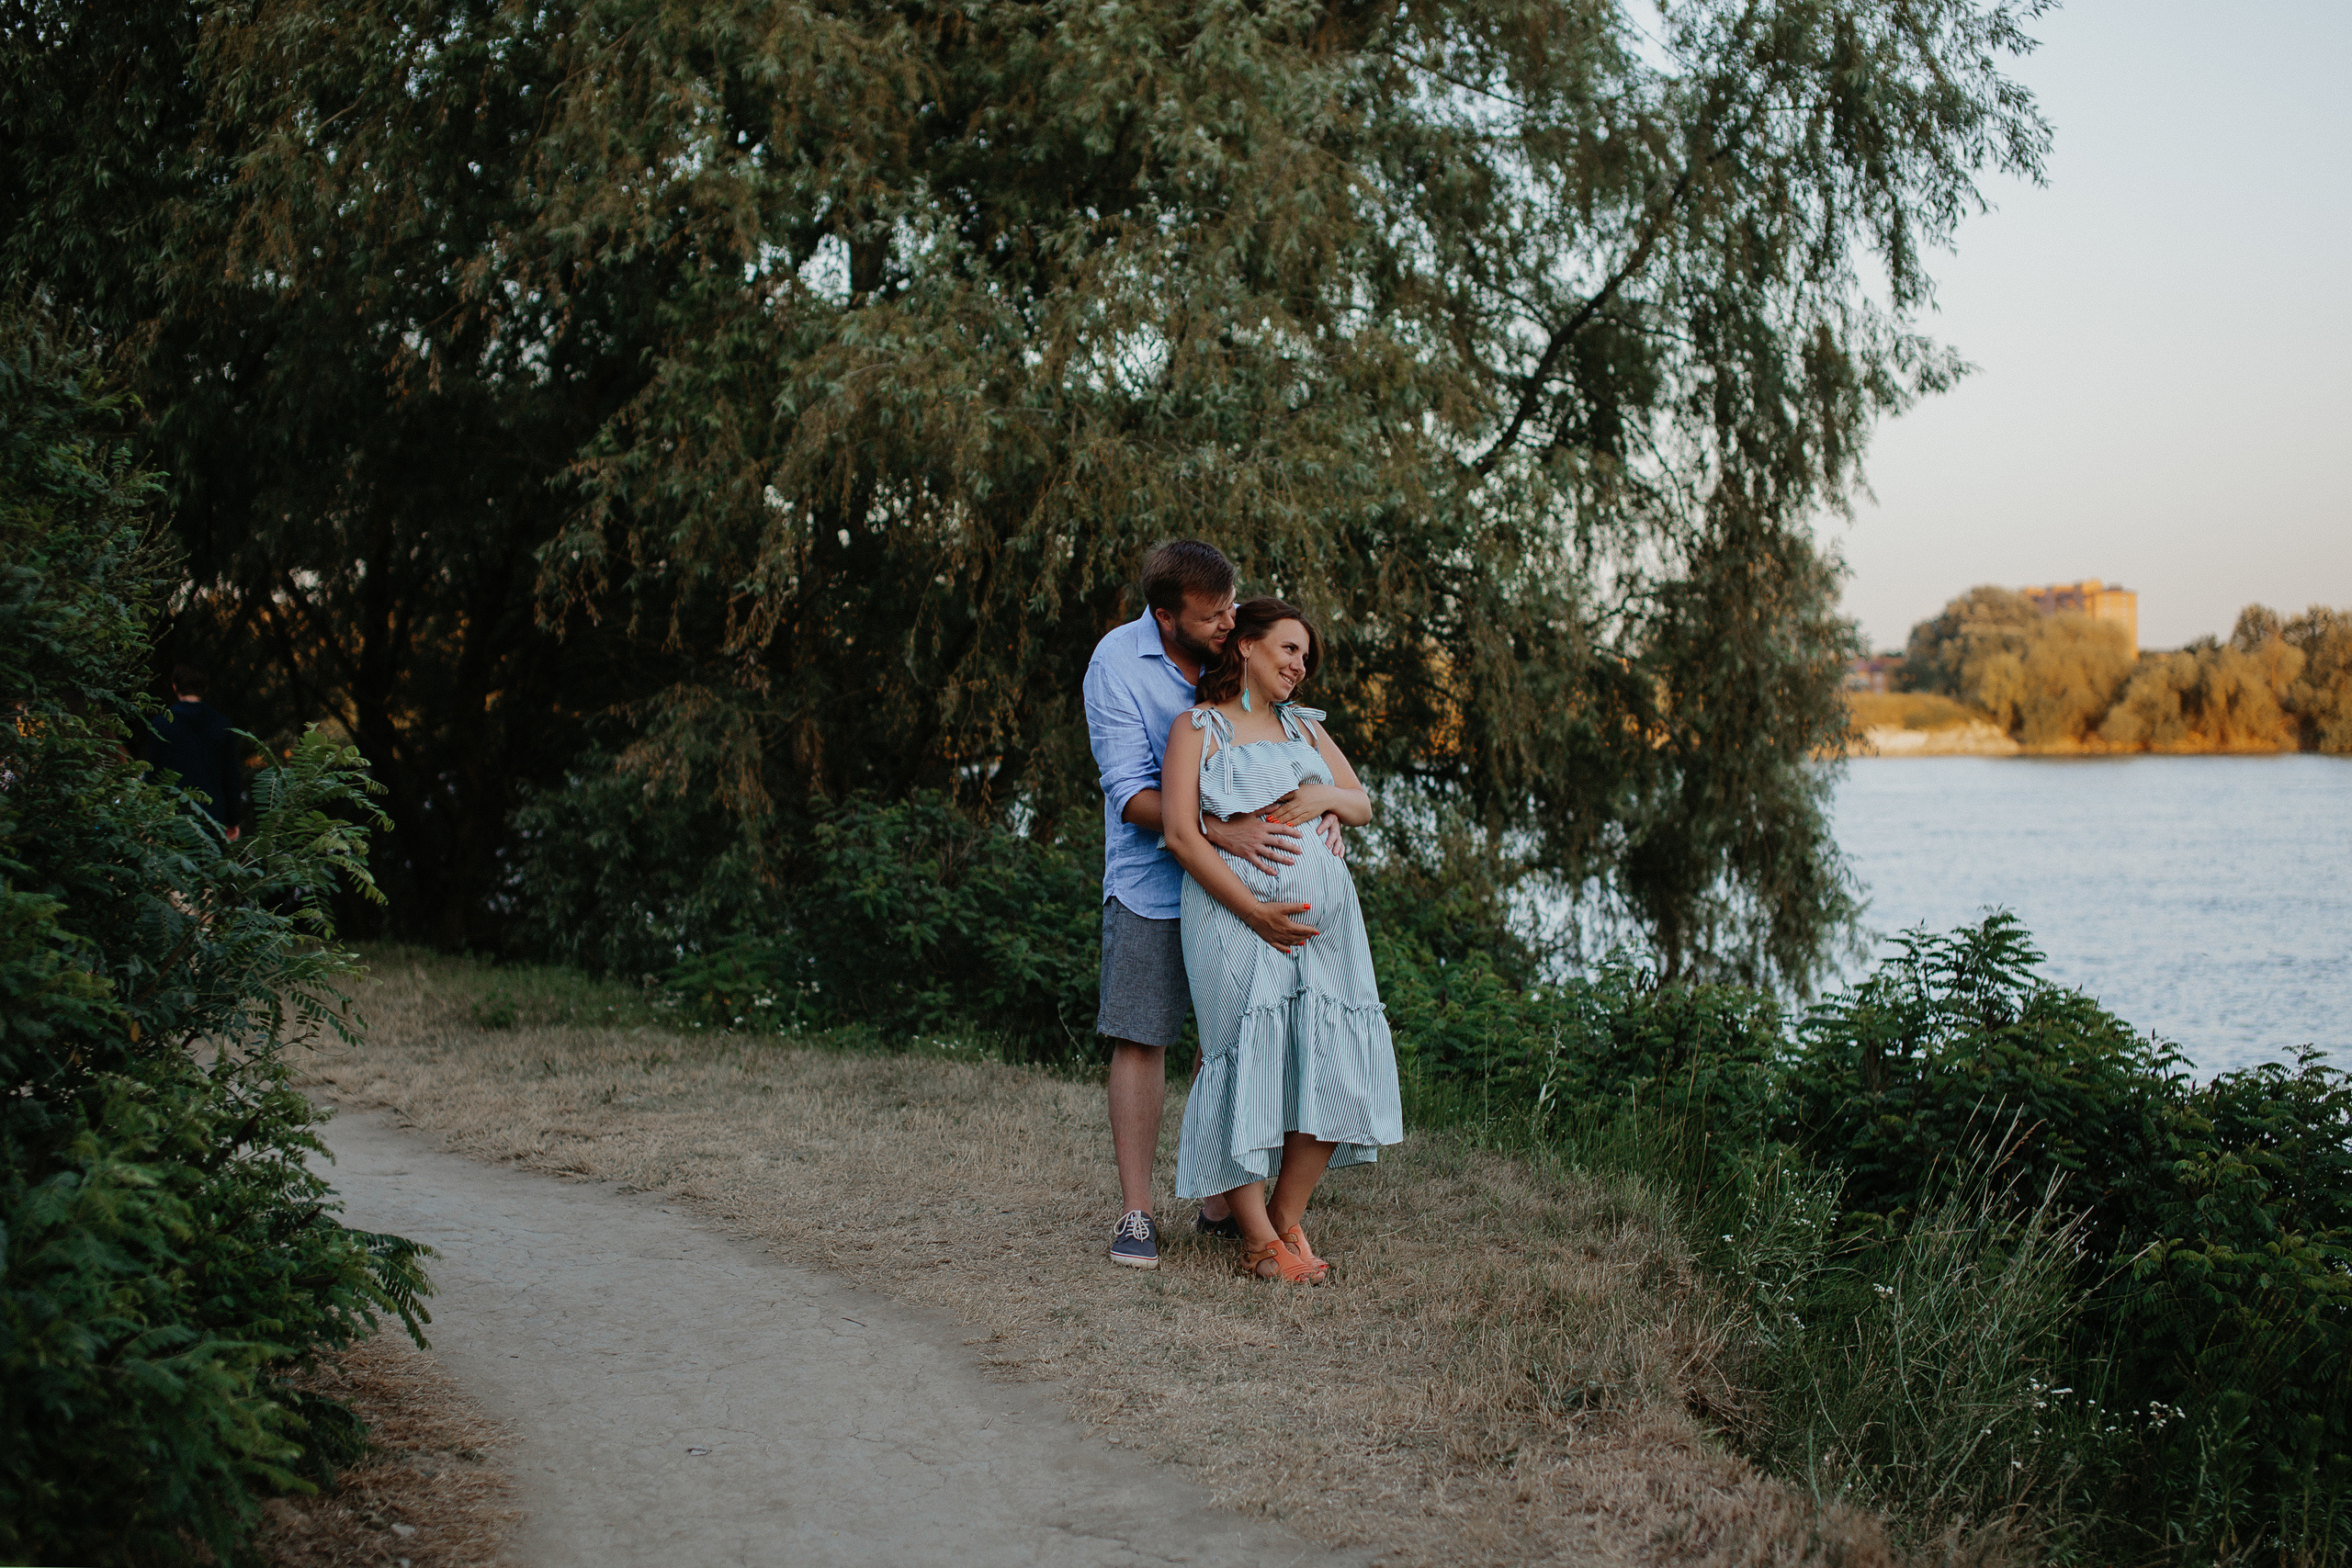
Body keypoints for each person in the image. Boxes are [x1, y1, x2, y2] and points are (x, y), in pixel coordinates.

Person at [1084, 542, 1342, 1270]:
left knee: (1229, 1040)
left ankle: (1219, 1200)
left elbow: (1289, 741)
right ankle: (1137, 1213)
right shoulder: (1116, 665)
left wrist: (1320, 806)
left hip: (1254, 880)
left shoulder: (1237, 648)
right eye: (1212, 614)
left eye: (1233, 606)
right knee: (1143, 1034)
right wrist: (1215, 827)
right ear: (1166, 617)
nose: (1229, 621)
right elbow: (1129, 789)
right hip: (1154, 882)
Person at [1161, 597, 1403, 1283]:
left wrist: (1324, 800)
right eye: (1290, 649)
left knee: (1332, 1058)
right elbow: (1182, 833)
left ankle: (1286, 1215)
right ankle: (1259, 1242)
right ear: (1246, 647)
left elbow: (1361, 800)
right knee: (1240, 1057)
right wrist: (1257, 913)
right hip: (1230, 916)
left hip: (1324, 933)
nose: (1300, 665)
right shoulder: (1198, 729)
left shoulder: (1304, 728)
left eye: (1305, 655)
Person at [143, 663, 243, 840]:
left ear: (174, 687)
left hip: (171, 817)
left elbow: (152, 774)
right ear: (205, 688)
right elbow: (231, 776)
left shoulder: (161, 724)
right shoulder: (222, 726)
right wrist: (232, 819)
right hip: (213, 818)